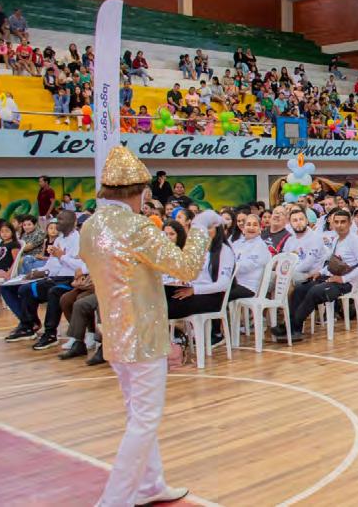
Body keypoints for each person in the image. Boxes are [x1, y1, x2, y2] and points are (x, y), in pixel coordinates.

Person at [78, 146, 223, 505]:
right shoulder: (135, 226)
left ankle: (149, 485)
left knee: (138, 414)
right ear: (140, 191)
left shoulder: (91, 226)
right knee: (144, 419)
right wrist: (200, 228)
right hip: (142, 333)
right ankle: (113, 500)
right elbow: (185, 268)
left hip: (115, 332)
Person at [277, 209, 358, 340]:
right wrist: (320, 272)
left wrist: (343, 279)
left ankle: (290, 326)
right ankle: (294, 329)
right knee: (300, 289)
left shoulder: (354, 241)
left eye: (343, 222)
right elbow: (333, 263)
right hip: (331, 278)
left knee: (315, 291)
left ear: (349, 223)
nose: (339, 225)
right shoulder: (336, 240)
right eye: (336, 222)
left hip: (347, 283)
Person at [2, 210, 83, 345]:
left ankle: (50, 333)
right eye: (57, 219)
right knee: (24, 289)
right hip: (54, 278)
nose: (58, 222)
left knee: (54, 292)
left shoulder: (79, 240)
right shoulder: (59, 240)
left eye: (62, 219)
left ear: (73, 222)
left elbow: (80, 266)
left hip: (71, 280)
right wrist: (37, 272)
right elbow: (51, 265)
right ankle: (28, 326)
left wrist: (62, 257)